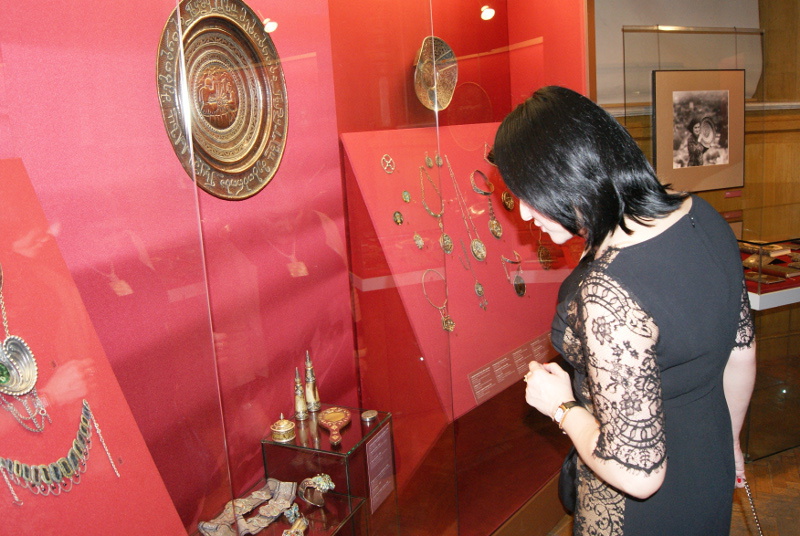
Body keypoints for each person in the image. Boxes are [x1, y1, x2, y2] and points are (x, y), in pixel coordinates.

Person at [492, 86, 756, 536]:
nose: (525, 213)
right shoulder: (701, 215)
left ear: (568, 178)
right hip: (708, 459)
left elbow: (638, 473)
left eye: (530, 195)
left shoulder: (607, 293)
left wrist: (561, 406)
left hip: (640, 511)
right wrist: (729, 443)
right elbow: (741, 353)